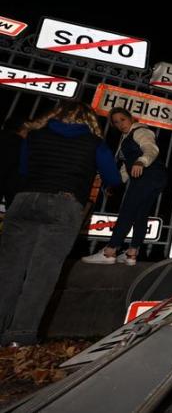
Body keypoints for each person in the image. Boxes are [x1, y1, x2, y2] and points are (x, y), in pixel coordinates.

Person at [0, 101, 121, 346]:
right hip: (63, 204)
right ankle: (19, 336)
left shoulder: (34, 135)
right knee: (42, 274)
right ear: (89, 121)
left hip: (25, 200)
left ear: (56, 114)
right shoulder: (94, 143)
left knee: (8, 270)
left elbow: (24, 170)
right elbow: (114, 179)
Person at [82, 107, 168, 266]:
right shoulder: (125, 139)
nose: (120, 124)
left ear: (131, 118)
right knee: (141, 214)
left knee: (128, 210)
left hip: (147, 174)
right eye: (116, 122)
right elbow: (125, 169)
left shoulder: (141, 131)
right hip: (155, 177)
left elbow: (150, 148)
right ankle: (131, 253)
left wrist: (141, 161)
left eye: (123, 119)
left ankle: (110, 251)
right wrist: (114, 183)